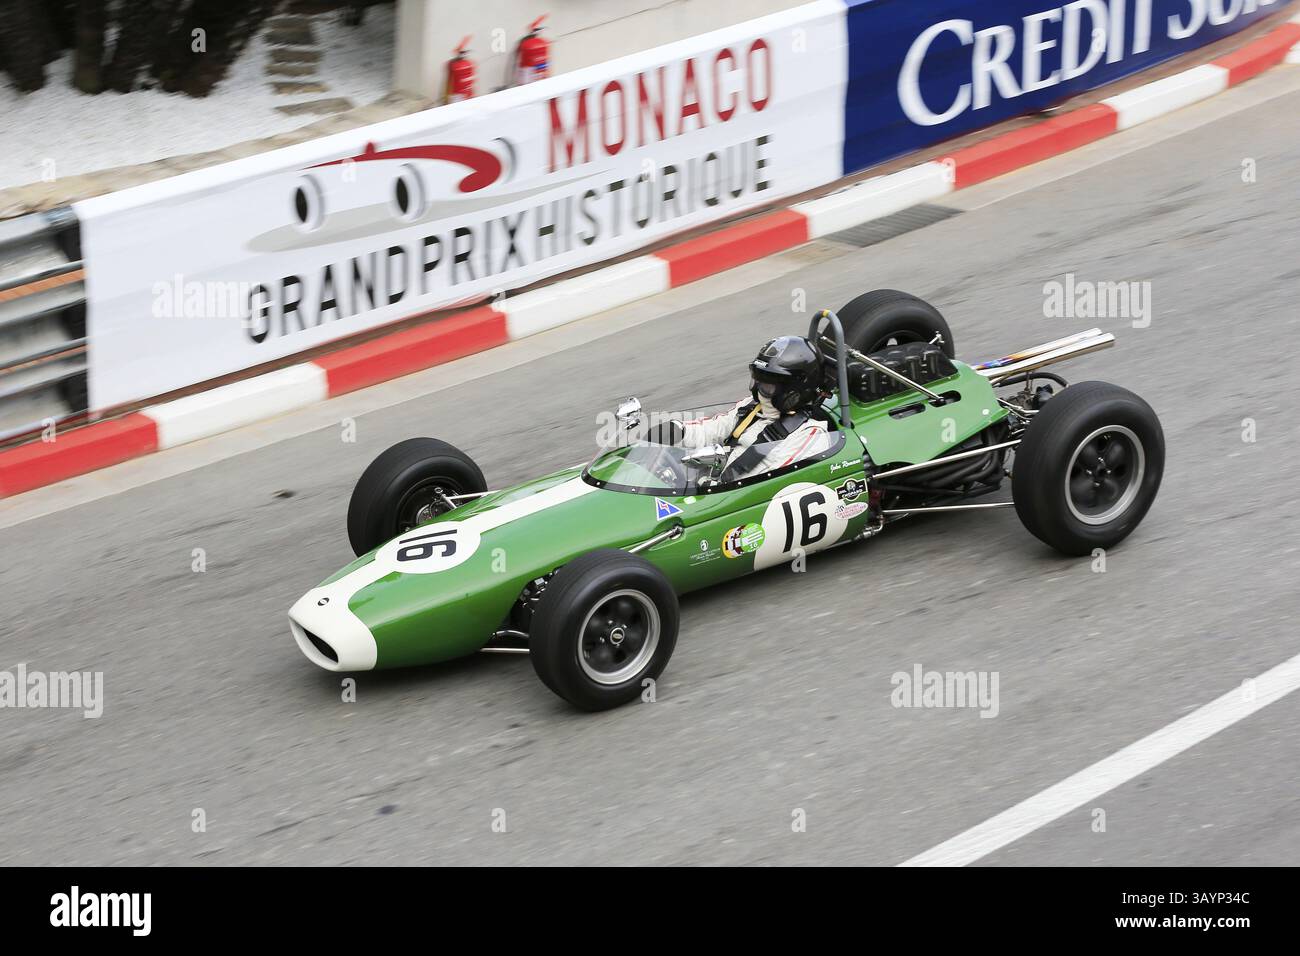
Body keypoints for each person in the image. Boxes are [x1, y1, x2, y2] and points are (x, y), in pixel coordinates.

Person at [655, 336, 833, 481]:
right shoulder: (753, 407)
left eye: (767, 385)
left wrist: (714, 486)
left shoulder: (810, 436)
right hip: (714, 485)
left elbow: (766, 480)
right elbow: (716, 427)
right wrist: (678, 431)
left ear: (794, 389)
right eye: (758, 380)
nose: (758, 390)